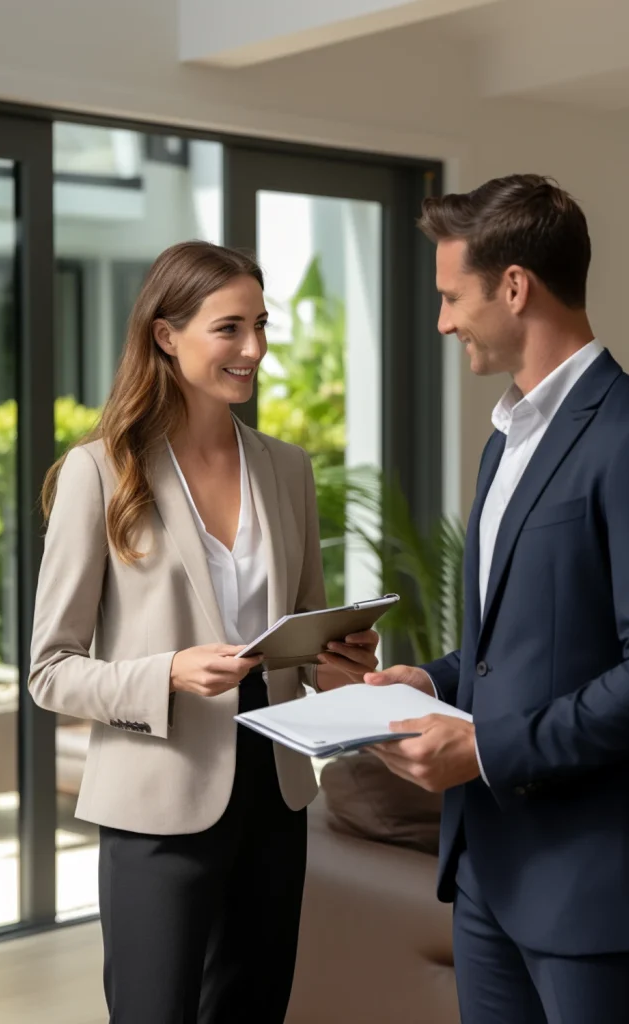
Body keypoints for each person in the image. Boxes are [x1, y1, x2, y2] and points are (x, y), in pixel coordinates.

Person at [365, 175, 629, 1024]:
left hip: (595, 887)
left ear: (515, 286)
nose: (444, 320)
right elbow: (510, 641)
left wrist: (484, 749)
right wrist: (434, 683)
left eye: (454, 296)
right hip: (488, 873)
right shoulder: (507, 442)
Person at [28, 240, 379, 1024]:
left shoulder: (288, 469)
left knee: (253, 1010)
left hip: (276, 792)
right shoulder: (101, 472)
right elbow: (50, 671)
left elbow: (305, 634)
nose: (253, 349)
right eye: (229, 328)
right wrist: (169, 673)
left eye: (260, 324)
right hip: (158, 800)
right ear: (165, 334)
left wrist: (341, 660)